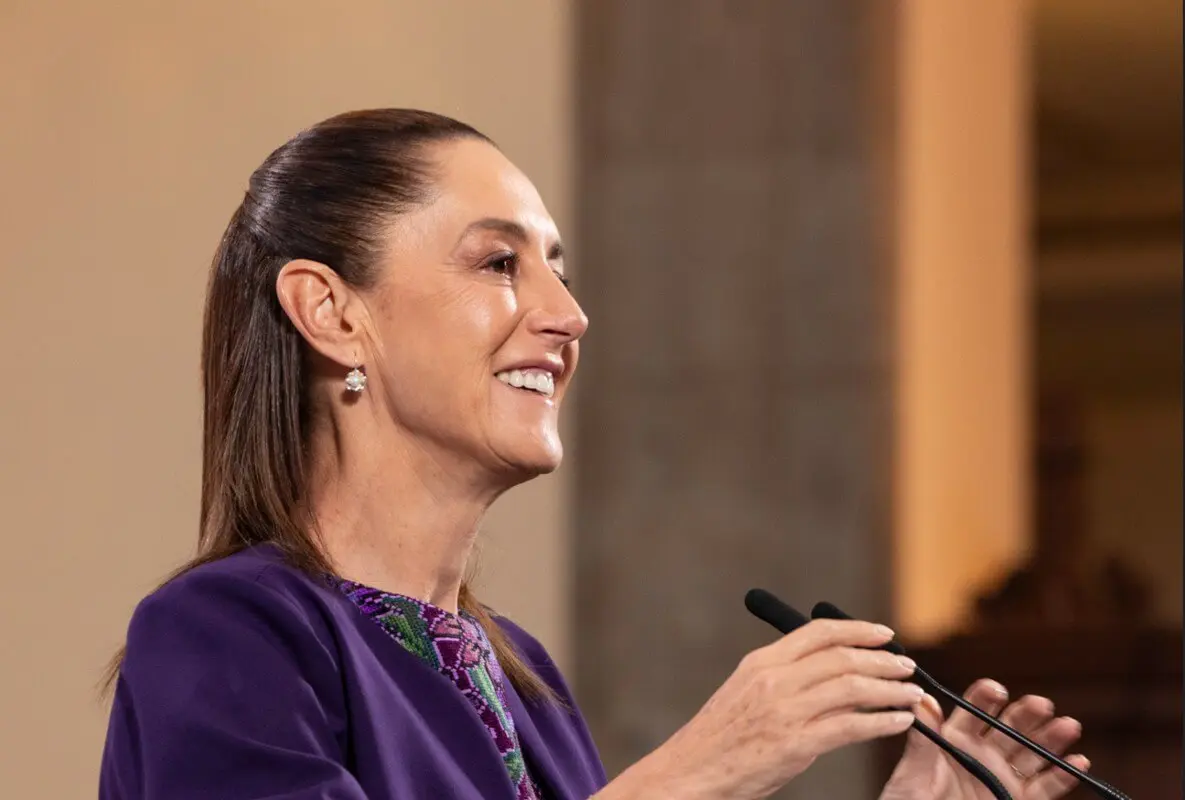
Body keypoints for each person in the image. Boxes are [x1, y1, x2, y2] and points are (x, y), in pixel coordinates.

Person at [99, 109, 1090, 800]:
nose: (568, 316)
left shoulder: (516, 669)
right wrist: (701, 768)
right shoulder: (223, 633)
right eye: (499, 263)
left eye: (559, 270)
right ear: (331, 311)